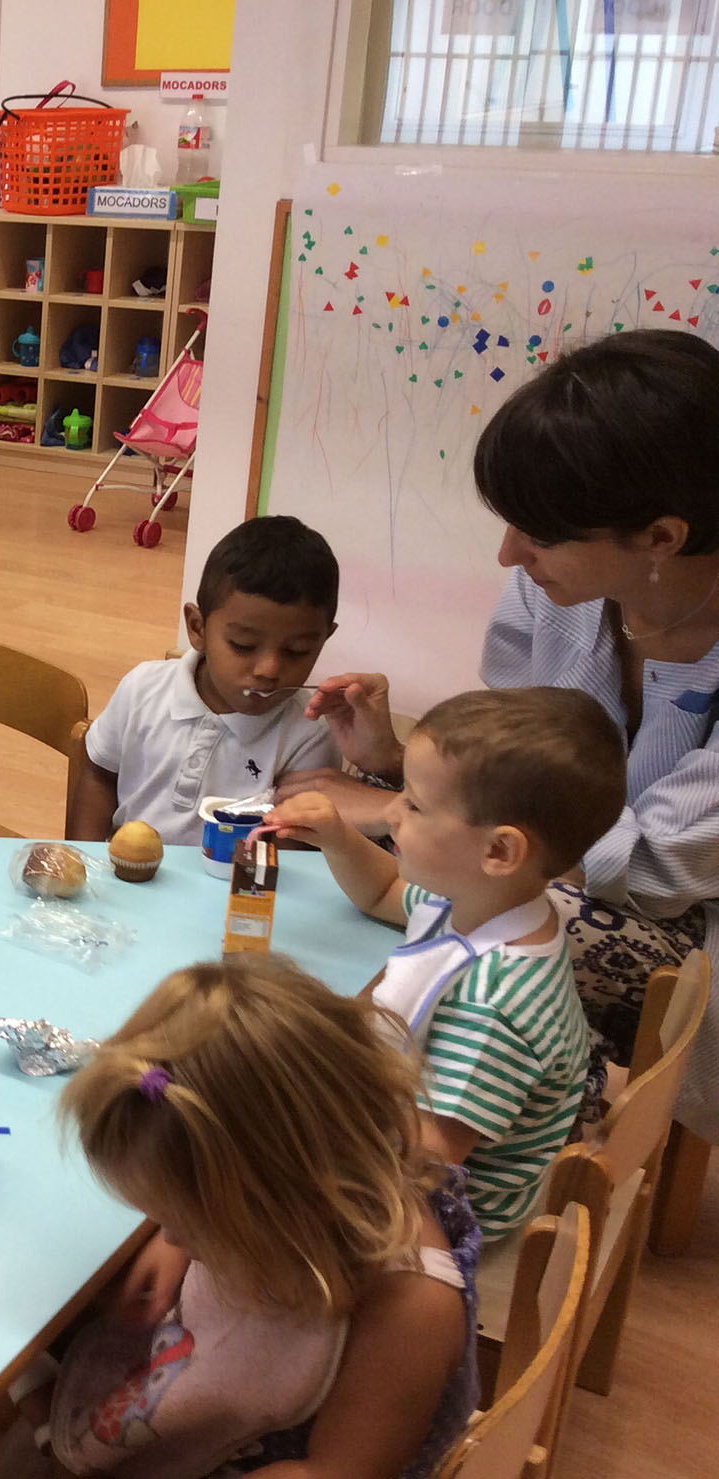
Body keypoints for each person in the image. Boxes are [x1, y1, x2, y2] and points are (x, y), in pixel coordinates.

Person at [285, 330, 719, 1129]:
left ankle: (531, 1097)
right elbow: (525, 765)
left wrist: (393, 808)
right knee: (380, 861)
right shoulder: (554, 591)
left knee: (459, 910)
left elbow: (658, 869)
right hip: (556, 860)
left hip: (681, 920)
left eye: (540, 534)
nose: (508, 553)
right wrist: (394, 764)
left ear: (663, 537)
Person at [0, 955, 476, 1479]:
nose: (173, 1237)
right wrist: (174, 1237)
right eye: (162, 1217)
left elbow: (334, 1471)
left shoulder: (412, 1315)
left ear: (283, 1193)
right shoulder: (317, 1179)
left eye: (188, 1224)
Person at [263, 687, 615, 1240]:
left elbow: (425, 1159)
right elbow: (383, 891)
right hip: (408, 1133)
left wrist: (295, 1132)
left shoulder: (492, 1006)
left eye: (414, 805)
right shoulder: (478, 901)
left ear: (499, 852)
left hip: (443, 1211)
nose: (390, 812)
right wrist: (336, 837)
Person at [73, 515, 343, 844]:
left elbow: (291, 852)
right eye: (243, 645)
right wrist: (84, 858)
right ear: (197, 628)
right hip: (124, 870)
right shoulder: (142, 688)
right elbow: (99, 774)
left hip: (238, 878)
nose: (269, 670)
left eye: (297, 651)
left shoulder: (310, 735)